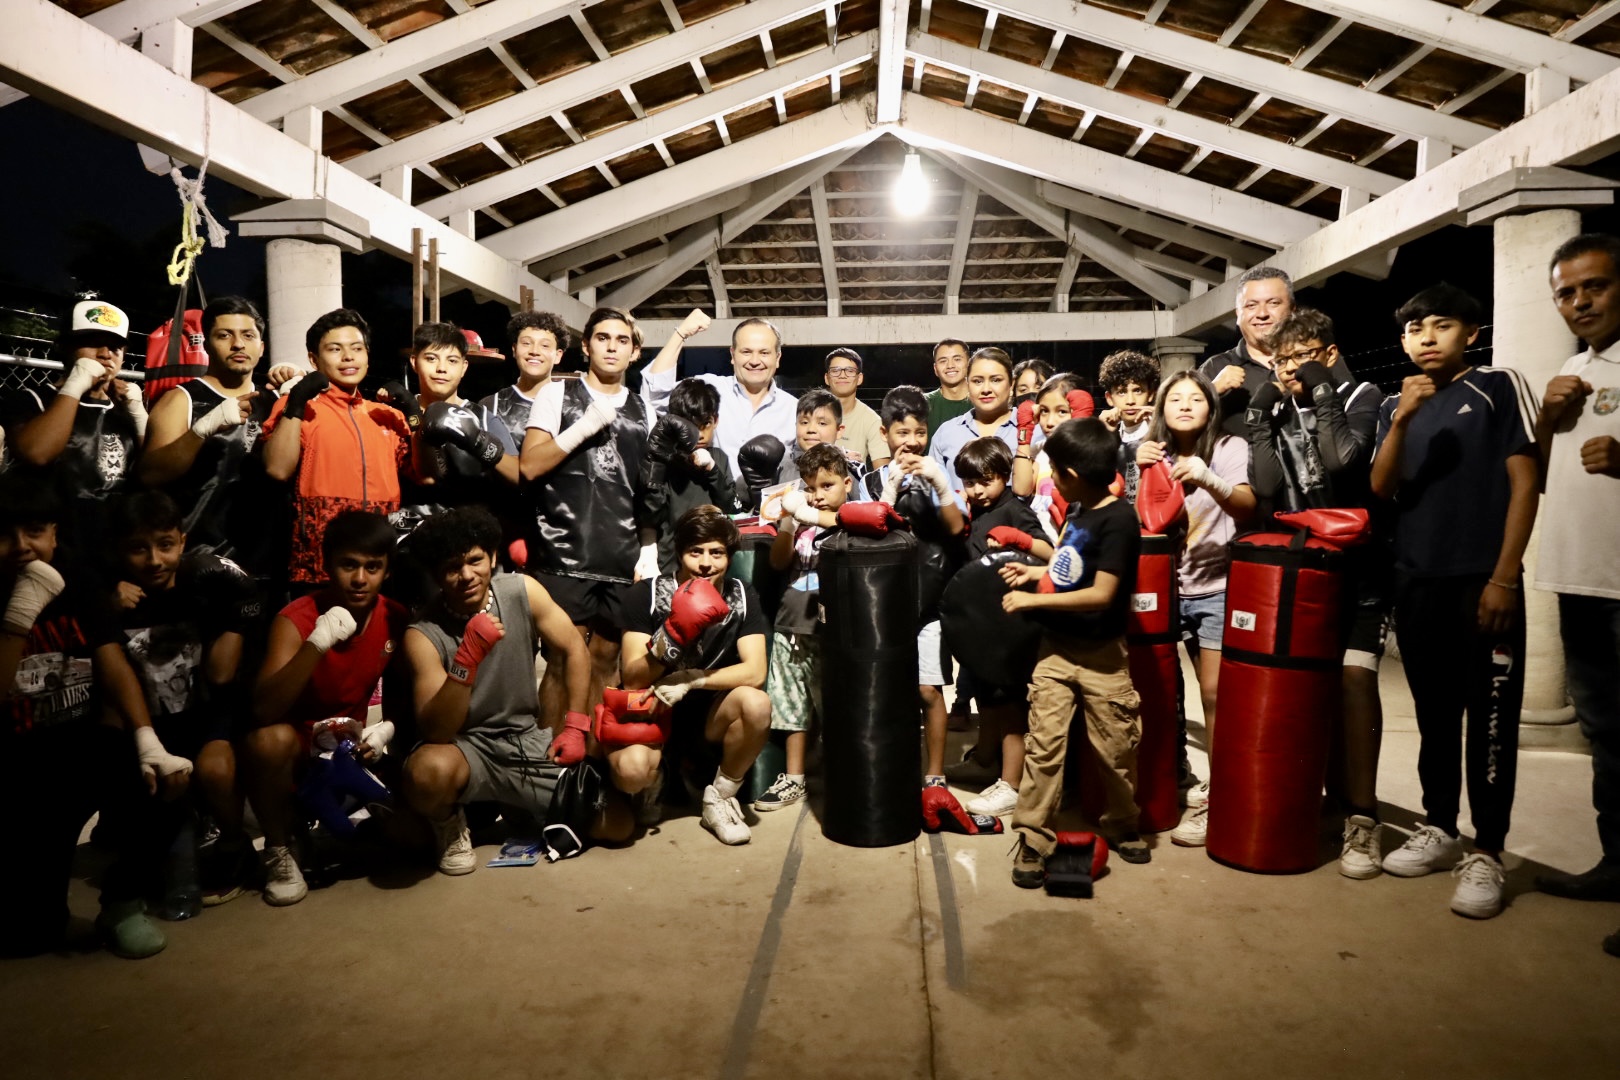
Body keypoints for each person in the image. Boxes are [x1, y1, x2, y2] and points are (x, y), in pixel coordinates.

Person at [1371, 282, 1540, 920]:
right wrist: (1406, 417)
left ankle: (1487, 851)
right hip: (1416, 577)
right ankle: (1439, 827)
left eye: (1442, 325)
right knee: (1434, 714)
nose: (1427, 338)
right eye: (1415, 329)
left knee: (1490, 719)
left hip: (1482, 579)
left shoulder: (1497, 386)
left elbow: (1527, 483)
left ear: (1472, 332)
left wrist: (1504, 577)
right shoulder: (1397, 403)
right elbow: (1382, 488)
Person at [0, 476, 182, 958]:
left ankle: (123, 904)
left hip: (80, 738)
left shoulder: (75, 575)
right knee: (29, 936)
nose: (21, 547)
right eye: (5, 534)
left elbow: (110, 655)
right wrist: (21, 613)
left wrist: (147, 740)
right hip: (14, 752)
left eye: (34, 531)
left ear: (55, 533)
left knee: (162, 779)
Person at [1244, 309, 1389, 879]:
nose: (1287, 370)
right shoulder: (1281, 403)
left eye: (1298, 358)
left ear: (1326, 353)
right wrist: (1260, 417)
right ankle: (1320, 796)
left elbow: (1342, 461)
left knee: (1355, 680)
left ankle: (1364, 815)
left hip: (1360, 564)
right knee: (1308, 682)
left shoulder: (1362, 394)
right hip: (1305, 566)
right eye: (1280, 361)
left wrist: (1323, 392)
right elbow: (1265, 483)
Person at [399, 507, 623, 874]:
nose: (466, 575)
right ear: (437, 573)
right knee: (426, 774)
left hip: (523, 740)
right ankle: (450, 825)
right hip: (464, 749)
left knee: (617, 824)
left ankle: (519, 805)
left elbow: (573, 648)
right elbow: (437, 731)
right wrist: (465, 661)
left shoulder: (522, 590)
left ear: (493, 557)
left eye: (475, 560)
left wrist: (575, 725)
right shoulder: (422, 633)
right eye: (453, 567)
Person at [997, 419, 1150, 884]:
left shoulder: (1120, 519)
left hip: (1103, 655)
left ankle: (1123, 824)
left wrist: (1033, 600)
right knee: (1044, 747)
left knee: (1116, 750)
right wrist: (1032, 575)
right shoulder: (1077, 510)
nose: (1052, 476)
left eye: (1055, 470)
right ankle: (1032, 837)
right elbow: (1066, 566)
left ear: (1073, 473)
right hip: (1056, 651)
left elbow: (1102, 593)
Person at [243, 511, 411, 906]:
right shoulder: (296, 619)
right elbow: (263, 711)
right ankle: (279, 849)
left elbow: (408, 696)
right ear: (327, 564)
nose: (359, 579)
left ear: (386, 571)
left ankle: (325, 823)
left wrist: (386, 729)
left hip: (347, 750)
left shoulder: (394, 616)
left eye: (373, 567)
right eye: (349, 565)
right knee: (268, 741)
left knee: (407, 841)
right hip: (295, 750)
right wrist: (316, 644)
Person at [107, 492, 261, 906]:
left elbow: (220, 673)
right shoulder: (110, 597)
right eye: (139, 549)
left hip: (203, 715)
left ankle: (234, 846)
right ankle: (177, 833)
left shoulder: (202, 587)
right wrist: (104, 601)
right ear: (119, 549)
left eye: (165, 544)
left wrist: (239, 609)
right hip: (147, 723)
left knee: (213, 768)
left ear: (183, 541)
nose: (155, 560)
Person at [1535, 235, 1620, 955]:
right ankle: (1616, 865)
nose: (1581, 301)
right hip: (1582, 577)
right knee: (1606, 736)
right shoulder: (1573, 367)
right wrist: (1546, 419)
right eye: (1566, 292)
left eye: (1594, 286)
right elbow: (1540, 466)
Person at [1137, 369, 1257, 847]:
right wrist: (1135, 465)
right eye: (1175, 399)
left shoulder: (1228, 448)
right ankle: (1176, 783)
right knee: (1163, 693)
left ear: (1211, 406)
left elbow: (1246, 505)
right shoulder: (1150, 453)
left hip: (1216, 586)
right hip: (1164, 589)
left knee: (1214, 693)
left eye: (1195, 398)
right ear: (1161, 409)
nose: (1185, 406)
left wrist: (1207, 477)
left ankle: (1221, 790)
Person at [521, 305, 654, 721]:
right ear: (585, 345)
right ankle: (550, 768)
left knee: (603, 662)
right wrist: (582, 427)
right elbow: (529, 465)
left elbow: (648, 490)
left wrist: (648, 549)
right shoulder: (557, 394)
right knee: (563, 659)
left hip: (620, 554)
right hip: (563, 550)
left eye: (622, 340)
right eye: (602, 338)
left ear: (634, 352)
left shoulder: (644, 409)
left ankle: (588, 765)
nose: (612, 347)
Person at [620, 505, 773, 843]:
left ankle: (720, 796)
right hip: (654, 712)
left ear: (729, 557)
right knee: (630, 776)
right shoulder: (645, 595)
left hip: (711, 716)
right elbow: (632, 678)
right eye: (696, 552)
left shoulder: (742, 596)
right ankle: (653, 780)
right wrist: (673, 634)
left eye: (716, 553)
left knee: (757, 703)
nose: (706, 563)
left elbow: (755, 671)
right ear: (679, 553)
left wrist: (691, 679)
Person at [259, 309, 428, 591]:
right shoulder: (299, 407)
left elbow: (425, 474)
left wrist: (413, 415)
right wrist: (297, 402)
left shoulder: (387, 415)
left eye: (356, 349)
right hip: (319, 568)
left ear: (367, 355)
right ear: (314, 359)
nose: (348, 357)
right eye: (335, 349)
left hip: (379, 565)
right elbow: (277, 469)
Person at [854, 388, 970, 799]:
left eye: (919, 432)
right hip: (880, 604)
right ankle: (887, 763)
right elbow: (867, 537)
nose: (911, 441)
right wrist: (890, 491)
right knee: (882, 689)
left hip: (929, 602)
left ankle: (935, 774)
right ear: (884, 433)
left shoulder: (941, 476)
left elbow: (957, 529)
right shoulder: (867, 482)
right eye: (902, 432)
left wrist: (940, 485)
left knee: (928, 689)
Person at [138, 295, 281, 579]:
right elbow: (150, 475)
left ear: (261, 347)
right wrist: (200, 431)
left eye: (247, 335)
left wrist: (298, 394)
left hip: (266, 560)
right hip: (199, 560)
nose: (238, 344)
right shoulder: (181, 400)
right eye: (224, 335)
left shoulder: (275, 401)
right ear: (206, 344)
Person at [953, 436, 1050, 818]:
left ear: (1005, 477)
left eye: (986, 481)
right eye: (970, 483)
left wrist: (1018, 539)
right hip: (984, 622)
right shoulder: (976, 510)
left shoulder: (1015, 509)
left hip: (1012, 622)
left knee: (1010, 705)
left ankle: (1011, 784)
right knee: (987, 699)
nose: (977, 491)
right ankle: (985, 762)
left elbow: (1046, 549)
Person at [2, 296, 145, 547]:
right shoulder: (31, 399)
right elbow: (37, 453)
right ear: (64, 346)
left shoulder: (124, 410)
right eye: (92, 343)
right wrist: (75, 386)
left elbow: (152, 474)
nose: (105, 354)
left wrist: (140, 416)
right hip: (51, 549)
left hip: (115, 550)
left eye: (115, 347)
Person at [643, 315, 797, 460]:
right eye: (746, 352)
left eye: (764, 353)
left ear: (777, 358)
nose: (755, 361)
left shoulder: (795, 410)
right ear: (733, 354)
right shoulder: (707, 388)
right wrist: (681, 333)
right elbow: (655, 396)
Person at [641, 378, 743, 577]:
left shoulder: (719, 458)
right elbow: (649, 513)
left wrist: (712, 470)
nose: (699, 434)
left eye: (706, 424)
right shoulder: (665, 461)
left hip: (711, 564)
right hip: (668, 563)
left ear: (716, 420)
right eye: (691, 426)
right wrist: (648, 556)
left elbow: (731, 507)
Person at [1200, 267, 1296, 435]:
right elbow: (1179, 426)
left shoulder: (1317, 358)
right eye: (1251, 305)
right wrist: (1212, 390)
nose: (1262, 314)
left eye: (1273, 303)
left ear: (1293, 310)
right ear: (1238, 314)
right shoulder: (1215, 368)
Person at [1012, 371, 1097, 540]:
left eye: (1062, 412)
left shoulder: (1094, 450)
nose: (1050, 422)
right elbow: (1021, 489)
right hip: (1040, 541)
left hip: (1076, 542)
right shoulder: (1040, 450)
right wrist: (1024, 434)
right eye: (1044, 411)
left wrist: (1080, 429)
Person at [929, 346, 1019, 493]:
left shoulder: (1031, 430)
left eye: (996, 380)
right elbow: (932, 494)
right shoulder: (946, 433)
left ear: (1011, 384)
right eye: (977, 381)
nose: (986, 389)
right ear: (967, 383)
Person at [480, 309, 570, 445]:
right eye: (527, 343)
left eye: (545, 345)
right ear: (514, 350)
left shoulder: (572, 405)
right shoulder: (491, 405)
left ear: (558, 355)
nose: (534, 351)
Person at [1096, 350, 1161, 503]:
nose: (1130, 400)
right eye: (1121, 392)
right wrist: (1103, 434)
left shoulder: (1162, 431)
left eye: (1138, 390)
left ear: (1150, 395)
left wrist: (1159, 424)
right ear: (1109, 398)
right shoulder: (1110, 433)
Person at [823, 348, 889, 469]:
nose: (842, 375)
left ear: (859, 378)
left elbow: (882, 473)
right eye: (835, 370)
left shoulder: (872, 420)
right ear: (827, 378)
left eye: (850, 371)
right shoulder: (812, 413)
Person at [925, 338, 973, 441]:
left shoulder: (983, 401)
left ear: (969, 364)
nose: (950, 366)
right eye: (943, 361)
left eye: (957, 359)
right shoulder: (922, 404)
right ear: (935, 369)